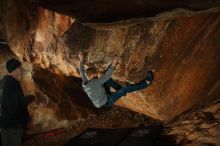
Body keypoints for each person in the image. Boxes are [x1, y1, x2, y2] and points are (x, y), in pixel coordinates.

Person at [78, 52, 154, 108]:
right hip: (107, 101)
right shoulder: (96, 82)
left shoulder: (85, 83)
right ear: (93, 75)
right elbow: (107, 76)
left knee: (107, 81)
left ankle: (121, 89)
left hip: (102, 96)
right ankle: (146, 83)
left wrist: (81, 60)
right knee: (124, 89)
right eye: (96, 75)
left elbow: (82, 72)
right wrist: (113, 63)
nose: (97, 76)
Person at [0, 58, 34, 146]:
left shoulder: (4, 83)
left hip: (5, 125)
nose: (22, 71)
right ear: (15, 69)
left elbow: (8, 103)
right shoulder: (12, 84)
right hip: (13, 127)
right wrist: (25, 120)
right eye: (20, 68)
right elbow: (14, 109)